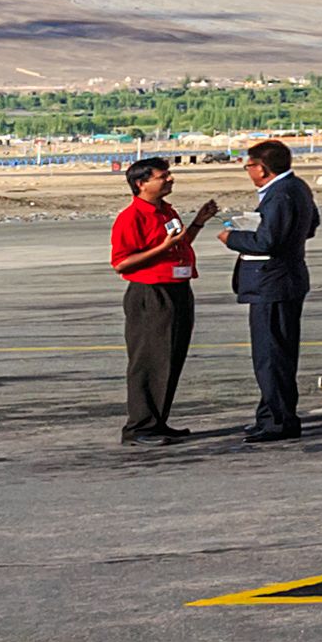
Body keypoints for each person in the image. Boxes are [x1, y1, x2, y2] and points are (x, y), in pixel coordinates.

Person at [220, 137, 319, 443]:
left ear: (262, 169)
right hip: (285, 280)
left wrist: (232, 238)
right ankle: (271, 414)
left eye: (249, 166)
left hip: (272, 283)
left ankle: (278, 420)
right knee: (277, 353)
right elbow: (312, 224)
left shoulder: (279, 194)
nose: (248, 172)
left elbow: (268, 242)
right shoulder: (298, 187)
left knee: (271, 355)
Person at [107, 155, 200, 444]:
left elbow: (179, 244)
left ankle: (157, 421)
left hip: (177, 287)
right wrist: (162, 248)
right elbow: (121, 263)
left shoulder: (167, 211)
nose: (170, 178)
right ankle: (139, 427)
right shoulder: (130, 217)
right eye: (163, 176)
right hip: (150, 293)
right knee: (148, 361)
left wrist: (199, 222)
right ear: (141, 183)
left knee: (170, 358)